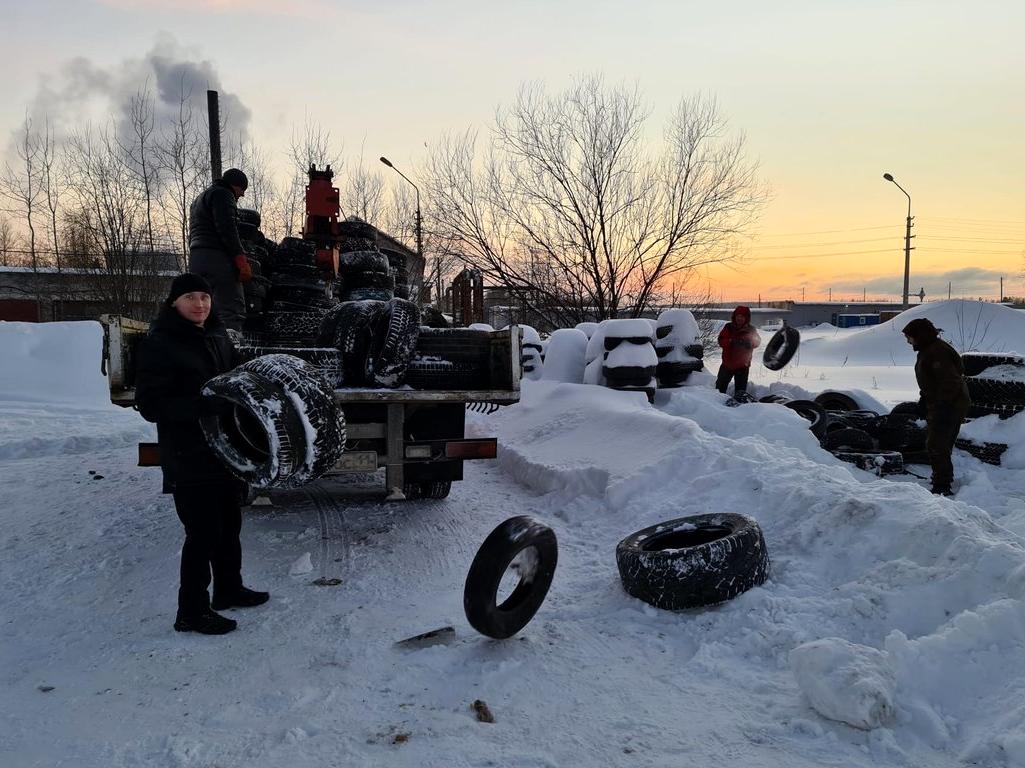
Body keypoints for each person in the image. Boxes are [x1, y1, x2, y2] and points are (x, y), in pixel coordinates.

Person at [135, 273, 268, 635]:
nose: (200, 304)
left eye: (205, 298)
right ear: (174, 302)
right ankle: (190, 611)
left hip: (225, 451)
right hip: (188, 453)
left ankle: (228, 589)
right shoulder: (160, 343)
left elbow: (238, 378)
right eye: (191, 297)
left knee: (229, 526)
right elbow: (149, 404)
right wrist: (204, 406)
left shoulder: (218, 337)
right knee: (202, 532)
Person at [902, 317, 971, 496]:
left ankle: (942, 486)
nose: (908, 341)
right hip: (941, 402)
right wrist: (924, 400)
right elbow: (931, 380)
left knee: (937, 444)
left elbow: (949, 381)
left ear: (920, 335)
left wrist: (942, 406)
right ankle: (940, 478)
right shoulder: (928, 349)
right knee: (936, 443)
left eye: (910, 337)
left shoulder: (937, 352)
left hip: (950, 404)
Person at [187, 168, 252, 332]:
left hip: (196, 259)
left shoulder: (198, 200)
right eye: (242, 190)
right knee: (231, 309)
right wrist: (240, 259)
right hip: (217, 258)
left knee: (202, 311)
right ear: (234, 185)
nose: (242, 195)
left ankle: (201, 351)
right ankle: (229, 351)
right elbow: (227, 229)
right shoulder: (223, 194)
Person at [716, 305, 761, 396]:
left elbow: (757, 342)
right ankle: (717, 407)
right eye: (738, 316)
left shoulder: (751, 329)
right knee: (719, 390)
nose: (739, 318)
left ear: (746, 318)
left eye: (742, 316)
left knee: (740, 392)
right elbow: (721, 341)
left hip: (743, 367)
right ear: (734, 316)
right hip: (727, 364)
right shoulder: (728, 327)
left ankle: (739, 408)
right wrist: (731, 341)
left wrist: (750, 343)